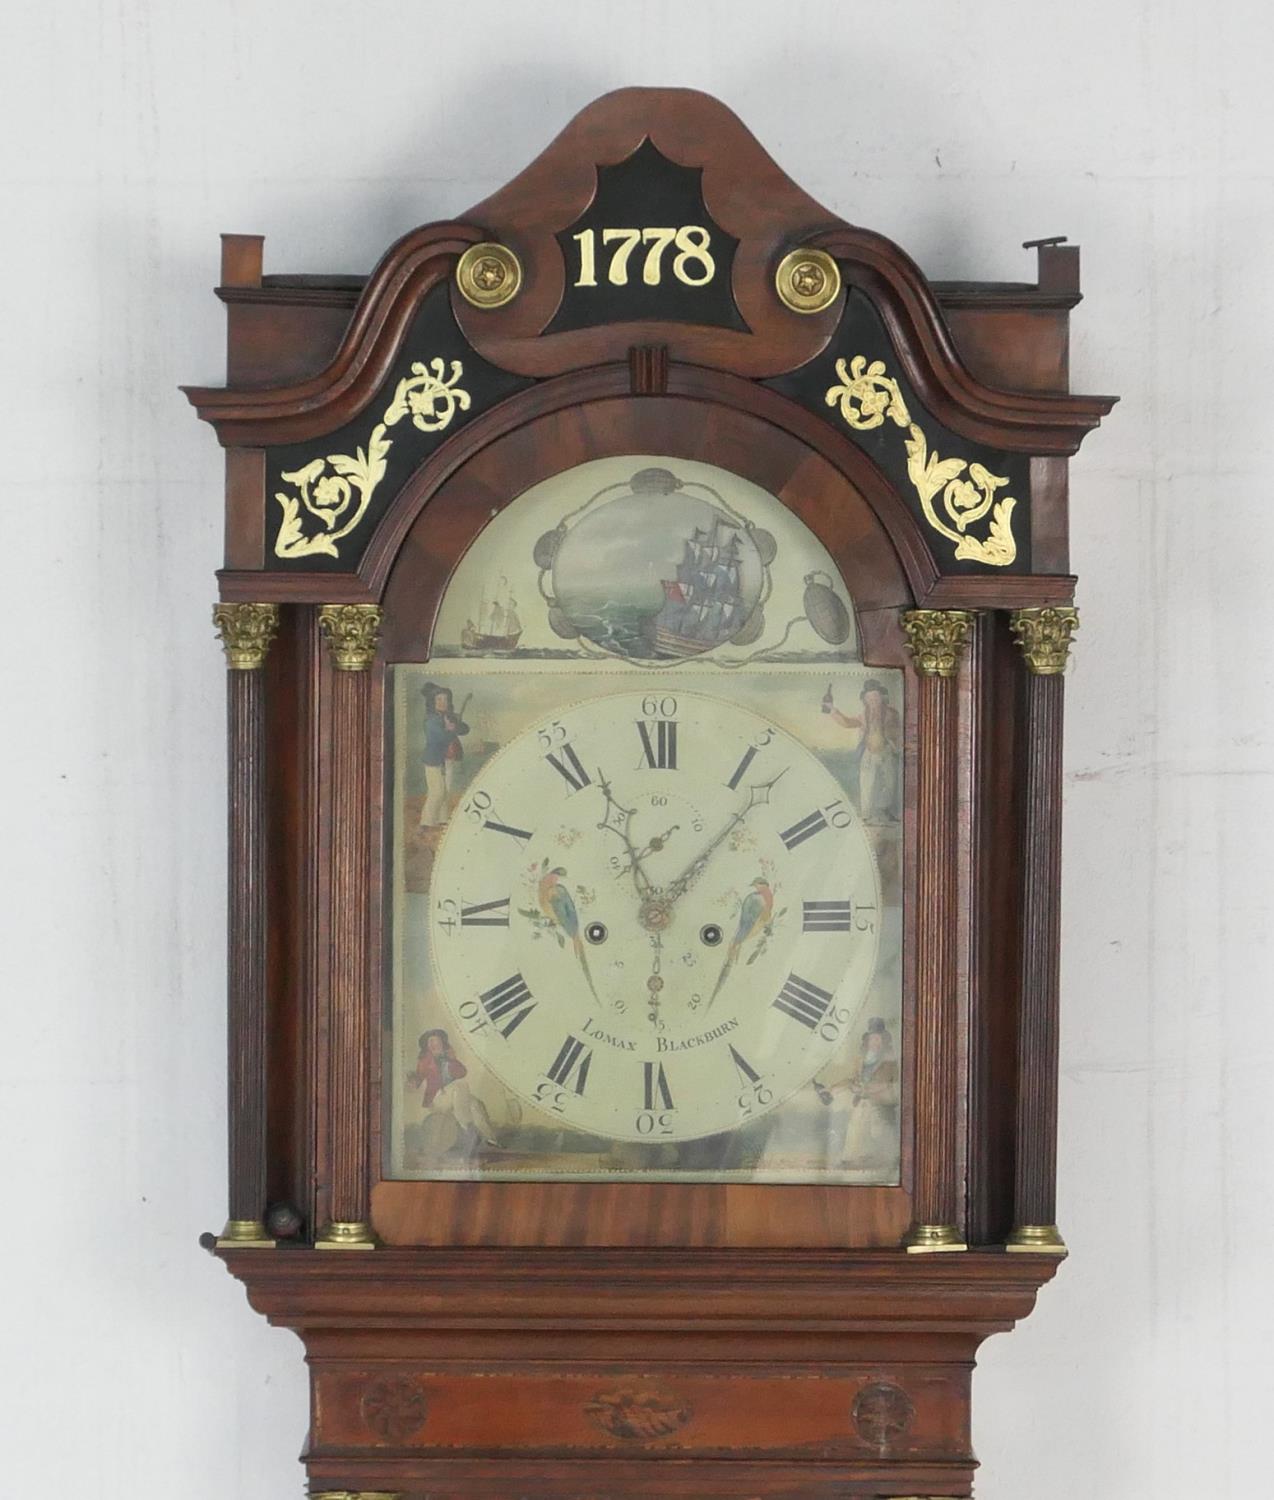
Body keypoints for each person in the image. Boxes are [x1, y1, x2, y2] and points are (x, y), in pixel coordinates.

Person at [817, 1018, 900, 1172]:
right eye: (872, 1038)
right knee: (854, 1128)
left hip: (881, 1103)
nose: (875, 1042)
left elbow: (886, 1083)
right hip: (862, 1101)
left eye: (878, 1038)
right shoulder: (861, 1059)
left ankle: (893, 1158)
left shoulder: (889, 1060)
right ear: (867, 1040)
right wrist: (831, 1089)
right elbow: (852, 1080)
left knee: (879, 1131)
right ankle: (847, 1159)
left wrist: (865, 1090)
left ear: (884, 1040)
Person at [823, 679, 902, 824]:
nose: (873, 701)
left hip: (887, 752)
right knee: (867, 784)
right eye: (869, 698)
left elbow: (898, 732)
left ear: (882, 697)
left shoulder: (892, 714)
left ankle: (886, 811)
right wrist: (832, 709)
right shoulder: (864, 715)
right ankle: (866, 815)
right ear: (865, 700)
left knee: (890, 784)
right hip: (869, 754)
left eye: (876, 697)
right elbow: (847, 723)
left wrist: (895, 744)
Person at [406, 1029, 498, 1147]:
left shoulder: (448, 1058)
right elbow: (418, 1078)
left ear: (442, 1043)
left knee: (475, 1104)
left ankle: (490, 1139)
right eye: (430, 1042)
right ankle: (467, 1128)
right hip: (436, 1099)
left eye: (436, 1041)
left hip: (454, 1097)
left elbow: (462, 1072)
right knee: (460, 1086)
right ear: (427, 1046)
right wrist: (412, 1082)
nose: (433, 1044)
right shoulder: (425, 1060)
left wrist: (452, 1060)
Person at [419, 683, 469, 828]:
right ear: (433, 702)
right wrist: (451, 730)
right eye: (439, 699)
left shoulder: (449, 716)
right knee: (437, 792)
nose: (443, 703)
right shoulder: (431, 721)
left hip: (448, 759)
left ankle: (442, 819)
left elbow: (465, 729)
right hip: (434, 760)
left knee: (446, 791)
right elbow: (442, 738)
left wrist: (456, 724)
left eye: (445, 699)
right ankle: (426, 822)